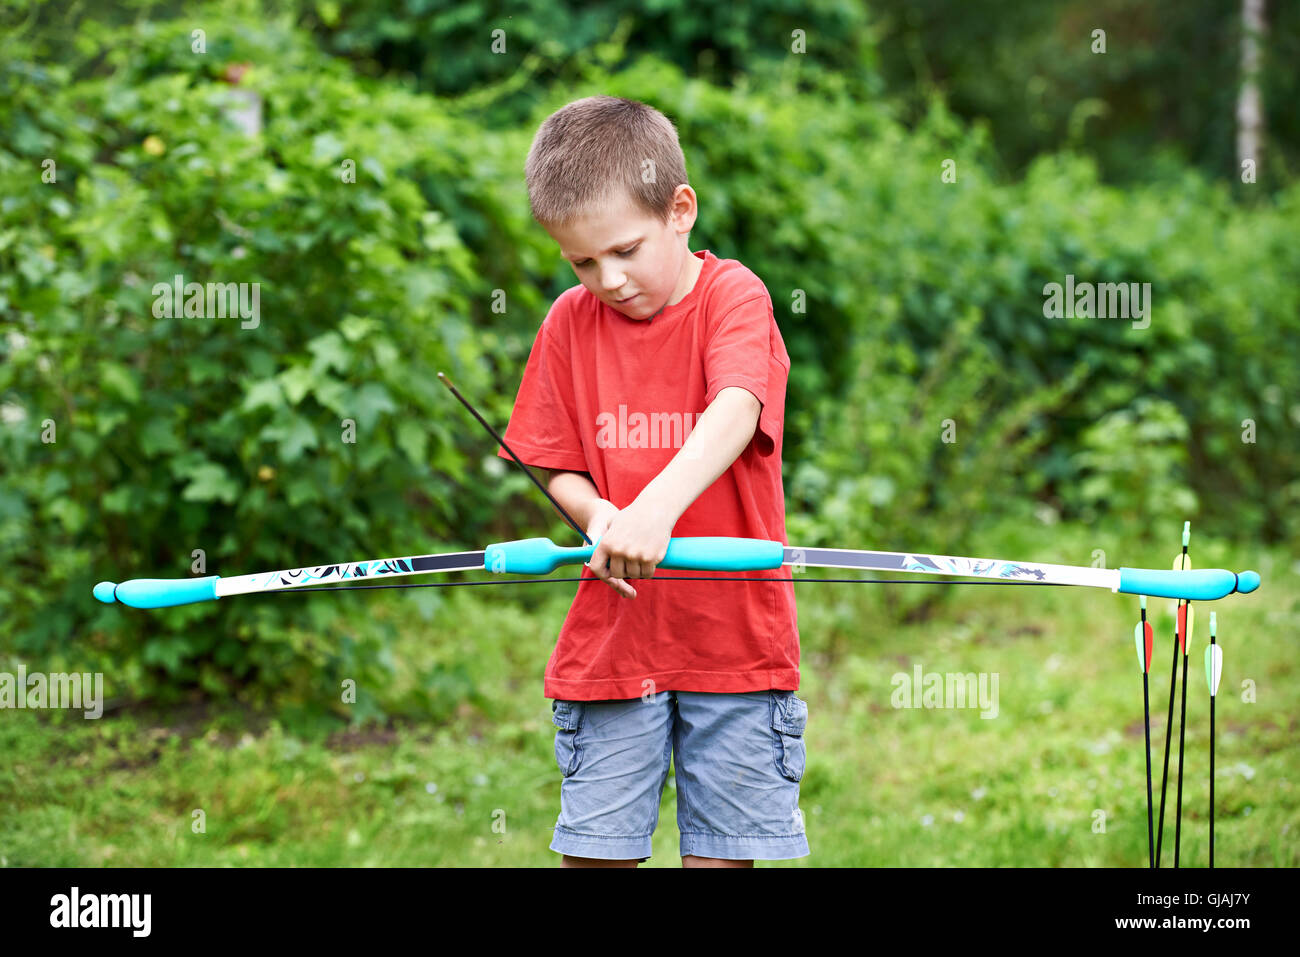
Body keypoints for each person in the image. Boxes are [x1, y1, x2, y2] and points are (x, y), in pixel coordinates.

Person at [501, 95, 808, 868]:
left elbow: (737, 407)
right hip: (612, 647)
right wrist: (600, 515)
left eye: (625, 250)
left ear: (680, 210)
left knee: (722, 857)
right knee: (595, 853)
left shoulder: (733, 296)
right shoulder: (569, 323)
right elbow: (552, 458)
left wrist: (653, 512)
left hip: (733, 644)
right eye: (581, 261)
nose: (608, 278)